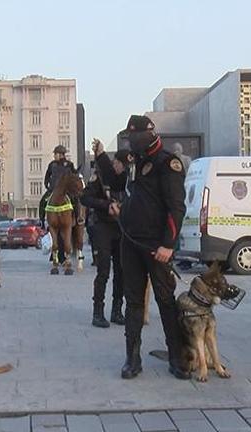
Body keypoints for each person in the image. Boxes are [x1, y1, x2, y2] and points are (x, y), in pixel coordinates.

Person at [93, 115, 190, 380]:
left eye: (134, 136)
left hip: (156, 246)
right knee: (133, 301)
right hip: (131, 242)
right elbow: (134, 196)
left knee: (165, 300)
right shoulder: (135, 162)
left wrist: (168, 244)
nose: (131, 140)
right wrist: (119, 209)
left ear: (148, 133)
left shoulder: (167, 163)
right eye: (128, 136)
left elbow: (176, 207)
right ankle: (132, 358)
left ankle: (177, 357)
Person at [81, 149, 130, 328]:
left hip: (121, 228)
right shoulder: (100, 178)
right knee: (103, 270)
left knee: (121, 271)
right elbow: (84, 198)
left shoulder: (129, 180)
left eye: (120, 164)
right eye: (116, 163)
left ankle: (117, 310)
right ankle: (98, 311)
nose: (117, 166)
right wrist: (105, 205)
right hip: (102, 226)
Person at [39, 145, 78, 229]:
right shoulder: (52, 164)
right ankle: (41, 221)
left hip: (66, 191)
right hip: (53, 190)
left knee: (75, 200)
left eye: (55, 154)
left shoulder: (69, 164)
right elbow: (47, 176)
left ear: (61, 154)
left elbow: (73, 176)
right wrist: (47, 185)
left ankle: (77, 218)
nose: (54, 156)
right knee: (42, 202)